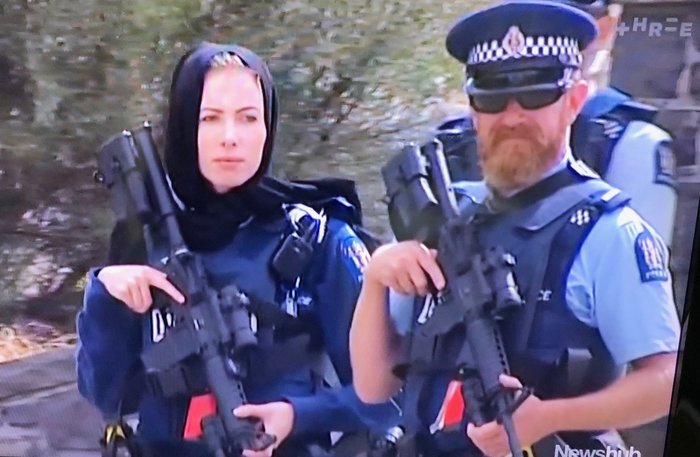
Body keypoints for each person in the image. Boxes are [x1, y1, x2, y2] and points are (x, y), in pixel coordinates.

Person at [349, 2, 681, 456]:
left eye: (536, 94)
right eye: (492, 98)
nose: (512, 117)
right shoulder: (446, 218)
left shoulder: (609, 231)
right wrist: (375, 279)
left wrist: (549, 418)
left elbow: (665, 380)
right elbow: (373, 385)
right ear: (473, 108)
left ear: (574, 101)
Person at [76, 42, 398, 457]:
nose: (230, 138)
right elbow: (106, 396)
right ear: (185, 126)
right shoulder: (144, 240)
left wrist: (297, 416)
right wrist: (105, 295)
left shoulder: (320, 241)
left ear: (268, 128)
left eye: (248, 118)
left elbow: (388, 399)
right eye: (210, 118)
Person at [438, 0, 678, 246]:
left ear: (606, 27)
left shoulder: (631, 144)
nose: (513, 115)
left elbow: (634, 262)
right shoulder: (454, 142)